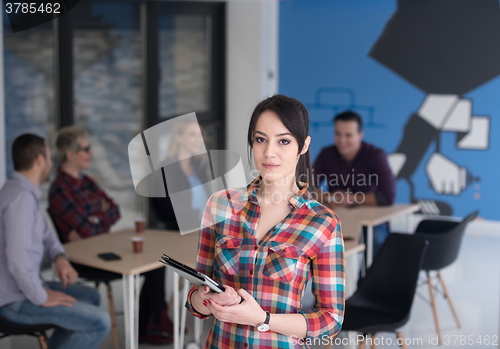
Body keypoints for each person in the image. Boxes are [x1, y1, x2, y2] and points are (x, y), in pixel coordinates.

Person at [185, 95, 345, 348]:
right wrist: (207, 300)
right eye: (261, 139)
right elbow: (195, 302)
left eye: (283, 141)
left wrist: (262, 318)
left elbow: (331, 320)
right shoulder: (220, 205)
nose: (269, 152)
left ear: (303, 146)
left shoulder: (323, 222)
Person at [48, 126, 174, 345]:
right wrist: (97, 216)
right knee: (148, 262)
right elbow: (89, 230)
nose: (91, 153)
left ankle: (150, 322)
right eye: (85, 149)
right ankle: (153, 322)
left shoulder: (87, 182)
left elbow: (114, 210)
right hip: (83, 259)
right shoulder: (60, 189)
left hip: (102, 247)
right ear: (70, 155)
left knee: (156, 262)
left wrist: (93, 220)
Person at [0, 134, 111, 349]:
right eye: (50, 158)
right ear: (40, 160)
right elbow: (17, 260)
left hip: (20, 289)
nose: (52, 164)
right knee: (99, 322)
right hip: (11, 301)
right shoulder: (20, 199)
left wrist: (60, 257)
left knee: (89, 296)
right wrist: (42, 297)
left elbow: (48, 235)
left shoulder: (23, 192)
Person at [313, 111, 396, 255]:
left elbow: (387, 196)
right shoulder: (327, 154)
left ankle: (370, 278)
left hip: (370, 222)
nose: (342, 140)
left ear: (360, 135)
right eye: (338, 134)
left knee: (375, 239)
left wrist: (351, 198)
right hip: (338, 218)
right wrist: (329, 198)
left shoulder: (375, 155)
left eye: (348, 135)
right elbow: (306, 187)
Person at [151, 118, 211, 231]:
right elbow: (165, 211)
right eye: (192, 135)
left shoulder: (199, 166)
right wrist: (201, 215)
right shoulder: (166, 170)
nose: (199, 140)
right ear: (179, 138)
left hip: (205, 229)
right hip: (179, 233)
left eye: (200, 135)